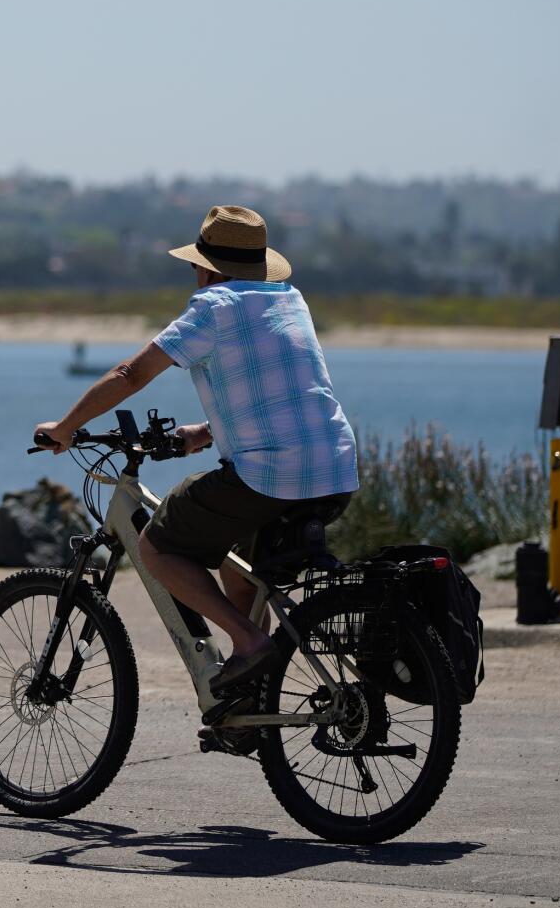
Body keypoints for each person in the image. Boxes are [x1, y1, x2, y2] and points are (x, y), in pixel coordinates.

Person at [33, 204, 358, 699]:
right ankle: (255, 694)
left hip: (271, 476)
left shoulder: (213, 307)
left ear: (204, 267)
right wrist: (203, 433)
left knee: (157, 547)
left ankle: (250, 643)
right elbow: (282, 395)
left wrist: (66, 426)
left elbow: (131, 374)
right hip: (336, 468)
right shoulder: (290, 299)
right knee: (238, 567)